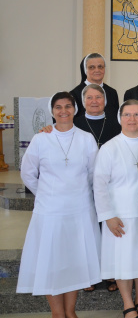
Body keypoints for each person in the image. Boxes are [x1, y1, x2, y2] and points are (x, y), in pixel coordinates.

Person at [17, 92, 101, 317]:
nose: (63, 111)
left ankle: (70, 311)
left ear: (75, 109)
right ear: (51, 110)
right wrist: (45, 193)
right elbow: (27, 173)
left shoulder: (86, 138)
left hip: (79, 210)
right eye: (58, 107)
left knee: (73, 262)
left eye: (67, 106)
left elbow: (94, 174)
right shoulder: (41, 139)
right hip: (50, 212)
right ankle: (57, 313)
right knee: (52, 261)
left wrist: (79, 194)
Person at [93, 100, 138, 318]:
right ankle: (128, 303)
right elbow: (99, 185)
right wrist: (108, 216)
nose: (132, 119)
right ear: (120, 118)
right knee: (123, 262)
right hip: (119, 217)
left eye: (137, 114)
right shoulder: (109, 148)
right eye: (127, 114)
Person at [74, 84, 121, 149]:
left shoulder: (117, 124)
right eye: (89, 97)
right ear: (83, 102)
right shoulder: (75, 124)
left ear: (105, 101)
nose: (94, 101)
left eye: (98, 97)